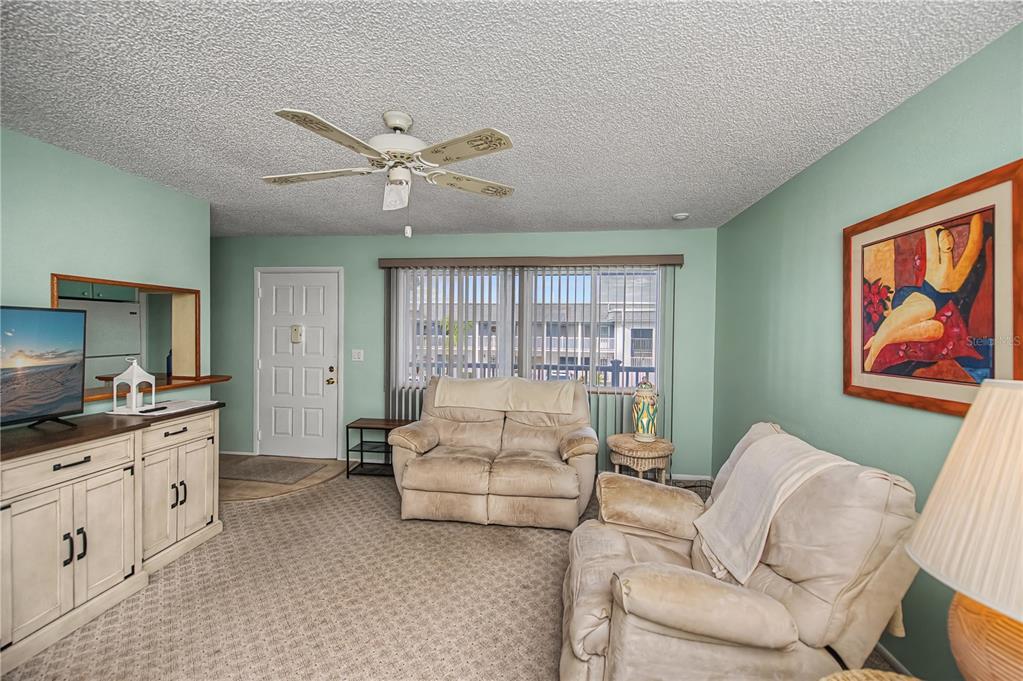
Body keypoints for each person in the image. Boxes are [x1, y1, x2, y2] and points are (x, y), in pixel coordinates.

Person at [863, 212, 985, 372]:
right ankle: (870, 359)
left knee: (937, 330)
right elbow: (930, 229)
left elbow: (973, 246)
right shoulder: (935, 261)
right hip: (918, 298)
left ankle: (879, 339)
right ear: (938, 243)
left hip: (932, 305)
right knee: (913, 315)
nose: (948, 239)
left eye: (950, 237)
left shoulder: (960, 269)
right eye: (944, 236)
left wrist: (978, 217)